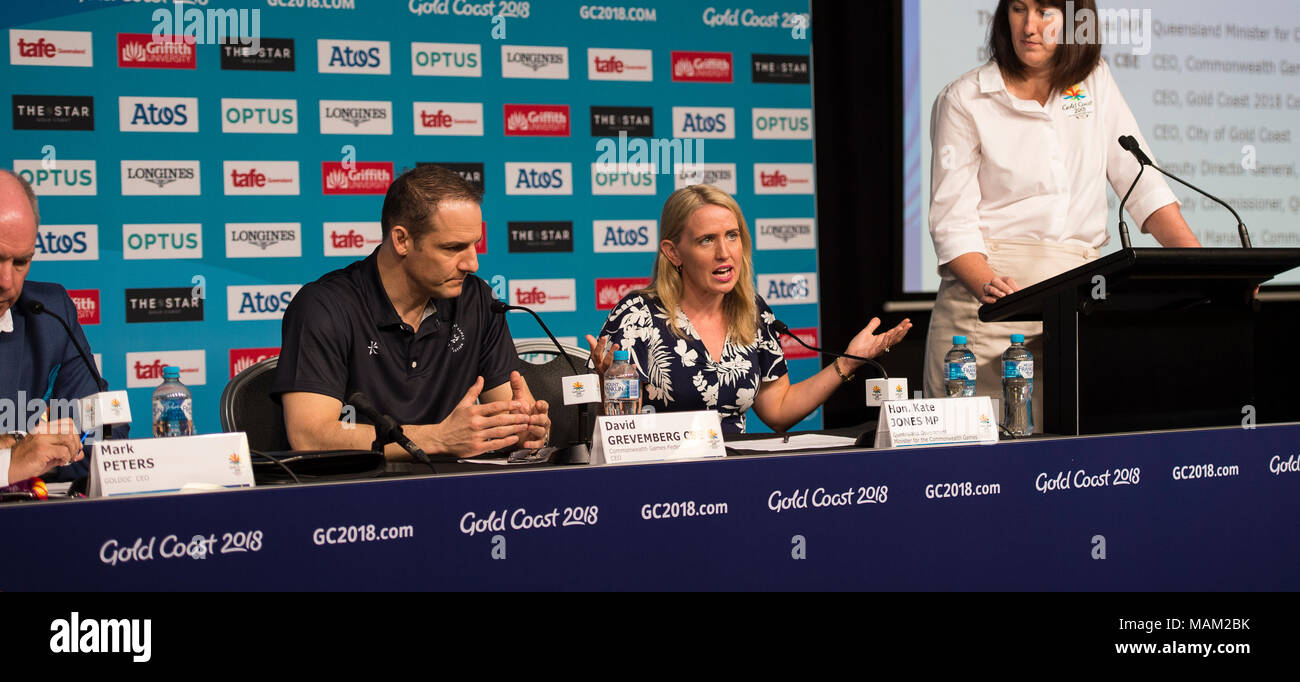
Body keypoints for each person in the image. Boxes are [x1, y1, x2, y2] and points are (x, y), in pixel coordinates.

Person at [923, 0, 1199, 414]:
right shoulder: (965, 99)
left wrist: (1201, 268)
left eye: (1045, 12)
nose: (1029, 26)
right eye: (1018, 9)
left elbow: (1143, 185)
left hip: (1077, 316)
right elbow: (951, 224)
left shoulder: (1093, 84)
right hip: (988, 314)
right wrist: (993, 289)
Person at [274, 165, 550, 458]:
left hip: (457, 492)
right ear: (402, 240)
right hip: (357, 494)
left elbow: (513, 410)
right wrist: (438, 439)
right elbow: (309, 435)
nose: (472, 263)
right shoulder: (325, 306)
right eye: (453, 248)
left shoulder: (477, 299)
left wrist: (525, 428)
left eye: (474, 245)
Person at [586, 185, 910, 434]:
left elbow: (778, 409)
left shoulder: (752, 312)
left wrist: (847, 362)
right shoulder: (637, 316)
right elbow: (613, 431)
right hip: (661, 477)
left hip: (739, 476)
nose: (724, 253)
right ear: (674, 253)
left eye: (732, 236)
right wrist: (605, 388)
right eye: (706, 240)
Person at [0, 169, 104, 483]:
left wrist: (23, 451)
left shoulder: (48, 313)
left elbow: (101, 435)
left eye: (21, 262)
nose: (7, 282)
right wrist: (10, 462)